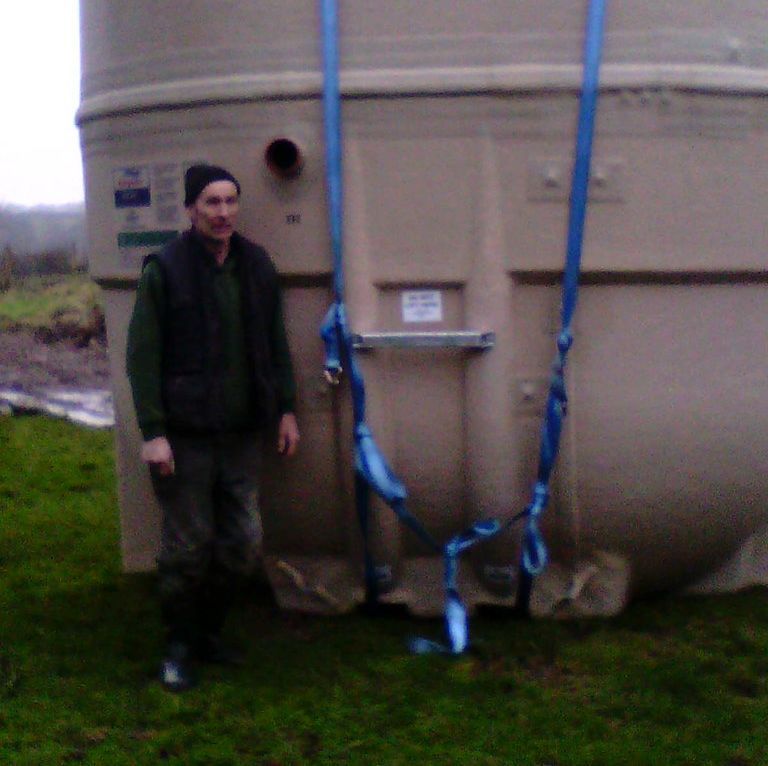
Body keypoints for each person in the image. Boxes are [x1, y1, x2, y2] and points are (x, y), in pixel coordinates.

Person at [126, 164, 300, 692]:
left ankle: (208, 633)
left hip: (242, 433)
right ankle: (178, 644)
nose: (222, 213)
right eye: (210, 203)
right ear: (190, 210)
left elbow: (275, 345)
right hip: (186, 436)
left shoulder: (256, 265)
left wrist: (285, 409)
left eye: (230, 201)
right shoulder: (166, 270)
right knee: (188, 545)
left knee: (243, 543)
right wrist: (153, 431)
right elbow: (142, 357)